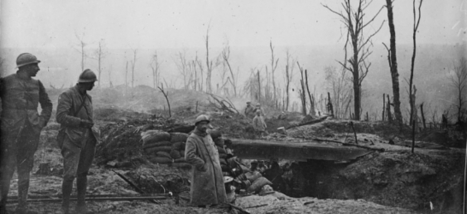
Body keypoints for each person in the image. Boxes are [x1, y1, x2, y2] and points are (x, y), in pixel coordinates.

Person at [0, 53, 53, 214]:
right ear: (25, 67)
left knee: (25, 167)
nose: (38, 68)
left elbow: (47, 105)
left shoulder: (37, 84)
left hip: (30, 133)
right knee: (6, 169)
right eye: (35, 65)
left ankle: (22, 204)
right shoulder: (6, 82)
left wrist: (41, 122)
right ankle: (2, 204)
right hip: (9, 133)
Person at [56, 69, 98, 214]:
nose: (93, 86)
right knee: (69, 175)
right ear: (85, 83)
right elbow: (60, 117)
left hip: (87, 139)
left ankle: (81, 204)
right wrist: (81, 122)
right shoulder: (67, 95)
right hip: (71, 138)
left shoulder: (88, 98)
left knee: (83, 173)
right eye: (92, 83)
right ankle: (65, 207)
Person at [185, 115, 227, 208]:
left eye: (206, 124)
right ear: (197, 125)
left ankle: (215, 205)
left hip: (214, 168)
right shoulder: (192, 138)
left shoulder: (208, 135)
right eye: (202, 124)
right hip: (203, 170)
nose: (204, 126)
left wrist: (216, 160)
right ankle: (202, 208)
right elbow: (189, 156)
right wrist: (202, 164)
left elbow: (214, 147)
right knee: (202, 193)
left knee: (215, 191)